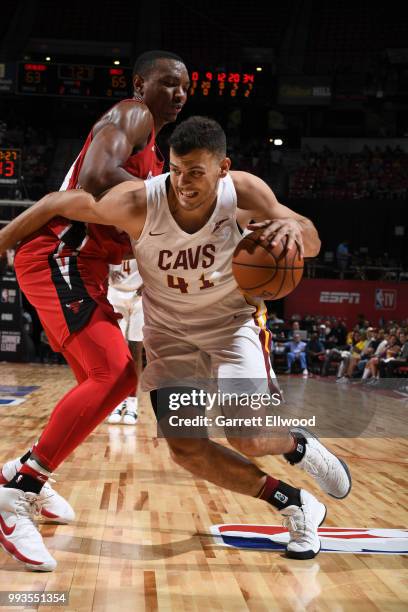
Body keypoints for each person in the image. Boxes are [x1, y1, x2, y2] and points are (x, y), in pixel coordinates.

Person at [0, 117, 351, 568]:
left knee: (246, 435)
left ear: (223, 167)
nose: (183, 183)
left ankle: (298, 446)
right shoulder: (139, 202)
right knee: (187, 447)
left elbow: (310, 236)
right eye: (176, 170)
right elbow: (57, 201)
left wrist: (295, 231)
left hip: (231, 328)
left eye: (197, 173)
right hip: (170, 338)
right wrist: (5, 238)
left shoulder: (242, 192)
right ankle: (295, 504)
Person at [0, 50, 189, 571]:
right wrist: (163, 212)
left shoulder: (154, 150)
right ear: (140, 84)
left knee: (110, 384)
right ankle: (18, 493)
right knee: (114, 374)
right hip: (59, 255)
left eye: (185, 88)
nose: (178, 93)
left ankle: (22, 473)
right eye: (169, 83)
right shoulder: (132, 115)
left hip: (84, 268)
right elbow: (98, 177)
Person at [107, 259, 144, 425]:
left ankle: (132, 404)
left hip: (139, 296)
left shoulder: (144, 234)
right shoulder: (107, 234)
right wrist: (105, 273)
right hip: (115, 293)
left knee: (135, 351)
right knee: (116, 354)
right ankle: (117, 401)